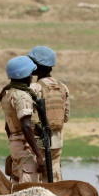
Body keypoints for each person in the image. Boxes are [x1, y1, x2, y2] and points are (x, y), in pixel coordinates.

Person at [0, 56, 46, 184]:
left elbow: (7, 126)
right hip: (25, 147)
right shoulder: (22, 96)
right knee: (29, 189)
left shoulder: (6, 93)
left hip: (15, 144)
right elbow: (26, 126)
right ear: (25, 75)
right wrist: (38, 155)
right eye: (30, 74)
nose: (31, 77)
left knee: (16, 187)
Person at [28, 45, 70, 181]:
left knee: (36, 182)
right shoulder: (62, 87)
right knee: (55, 180)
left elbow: (29, 119)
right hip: (57, 140)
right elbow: (66, 117)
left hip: (39, 142)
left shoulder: (34, 88)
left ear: (37, 66)